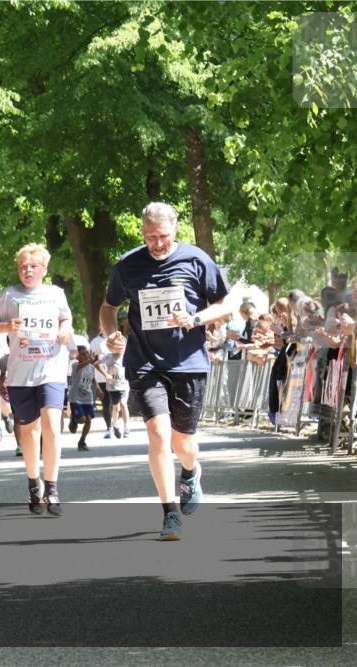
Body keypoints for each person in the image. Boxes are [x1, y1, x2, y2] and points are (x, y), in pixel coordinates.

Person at [101, 202, 230, 541]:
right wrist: (110, 333)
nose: (156, 243)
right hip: (144, 361)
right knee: (158, 434)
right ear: (141, 232)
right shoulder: (128, 266)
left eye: (162, 236)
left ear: (175, 230)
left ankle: (190, 472)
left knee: (183, 442)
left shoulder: (196, 260)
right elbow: (108, 306)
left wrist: (198, 319)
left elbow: (225, 303)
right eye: (149, 237)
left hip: (188, 362)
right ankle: (169, 513)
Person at [0, 243, 73, 516]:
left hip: (52, 369)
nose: (28, 270)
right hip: (21, 373)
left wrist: (64, 331)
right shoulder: (8, 296)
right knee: (30, 432)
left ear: (44, 269)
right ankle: (33, 484)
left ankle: (53, 488)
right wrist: (6, 327)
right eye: (23, 266)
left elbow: (66, 318)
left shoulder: (55, 294)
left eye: (34, 266)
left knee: (52, 425)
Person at [68, 345, 102, 451]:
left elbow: (92, 378)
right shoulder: (75, 365)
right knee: (81, 420)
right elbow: (80, 366)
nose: (86, 355)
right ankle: (74, 417)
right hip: (76, 397)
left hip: (87, 397)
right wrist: (90, 361)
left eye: (87, 353)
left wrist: (97, 387)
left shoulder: (91, 367)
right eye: (83, 354)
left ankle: (82, 441)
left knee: (88, 420)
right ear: (78, 356)